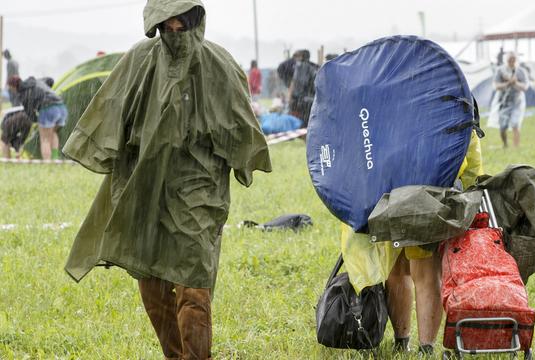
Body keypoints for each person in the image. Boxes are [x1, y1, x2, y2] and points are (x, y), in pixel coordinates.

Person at [61, 1, 271, 359]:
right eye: (166, 27)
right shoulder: (139, 60)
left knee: (193, 284)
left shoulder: (217, 64)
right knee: (151, 279)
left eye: (181, 26)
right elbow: (110, 111)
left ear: (194, 21)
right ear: (155, 24)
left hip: (198, 187)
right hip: (145, 183)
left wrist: (243, 155)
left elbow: (240, 125)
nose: (174, 34)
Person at [386, 130, 484, 355]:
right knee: (415, 272)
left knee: (401, 270)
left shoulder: (391, 96)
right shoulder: (450, 96)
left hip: (396, 185)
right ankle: (420, 347)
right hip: (431, 185)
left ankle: (408, 344)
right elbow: (469, 149)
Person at [7, 75, 68, 160]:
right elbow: (50, 80)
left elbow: (30, 113)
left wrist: (36, 120)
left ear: (13, 86)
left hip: (47, 108)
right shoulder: (36, 80)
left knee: (45, 139)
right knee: (53, 133)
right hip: (61, 106)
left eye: (10, 88)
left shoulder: (23, 94)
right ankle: (55, 158)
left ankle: (47, 162)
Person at [493, 52, 529, 148]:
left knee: (515, 124)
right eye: (510, 60)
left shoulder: (521, 71)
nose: (512, 62)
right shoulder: (500, 71)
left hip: (517, 101)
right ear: (506, 60)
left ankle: (516, 147)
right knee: (503, 126)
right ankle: (505, 145)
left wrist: (515, 82)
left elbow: (525, 87)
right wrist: (509, 82)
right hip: (503, 102)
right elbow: (496, 86)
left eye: (514, 60)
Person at [288, 49, 318, 127]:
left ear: (301, 56)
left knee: (303, 121)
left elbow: (298, 84)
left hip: (301, 99)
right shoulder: (313, 68)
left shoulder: (300, 67)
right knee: (308, 121)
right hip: (307, 99)